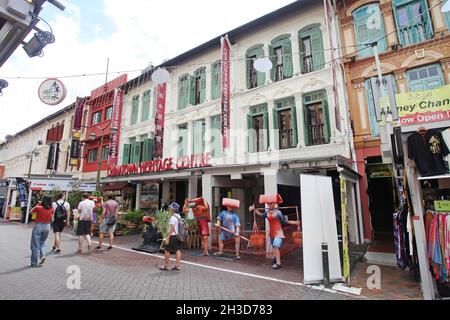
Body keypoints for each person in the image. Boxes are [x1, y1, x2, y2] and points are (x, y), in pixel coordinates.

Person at [250, 198, 300, 269]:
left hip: (278, 232)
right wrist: (254, 209)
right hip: (272, 233)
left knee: (276, 246)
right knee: (274, 247)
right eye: (269, 204)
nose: (270, 205)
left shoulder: (278, 212)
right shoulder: (267, 213)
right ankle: (276, 258)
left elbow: (284, 222)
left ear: (274, 204)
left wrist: (294, 222)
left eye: (271, 203)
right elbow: (261, 215)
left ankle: (278, 263)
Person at [29, 196, 54, 268]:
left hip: (39, 225)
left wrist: (38, 204)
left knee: (35, 244)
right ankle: (42, 255)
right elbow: (52, 217)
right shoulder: (51, 209)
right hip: (47, 226)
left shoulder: (39, 208)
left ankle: (34, 263)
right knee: (42, 242)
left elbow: (31, 212)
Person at [158, 202, 182, 271]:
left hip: (172, 236)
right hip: (178, 236)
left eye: (170, 208)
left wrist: (167, 238)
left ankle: (166, 265)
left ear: (173, 209)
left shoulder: (173, 217)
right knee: (177, 250)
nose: (169, 209)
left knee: (167, 250)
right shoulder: (179, 216)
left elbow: (171, 229)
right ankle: (177, 266)